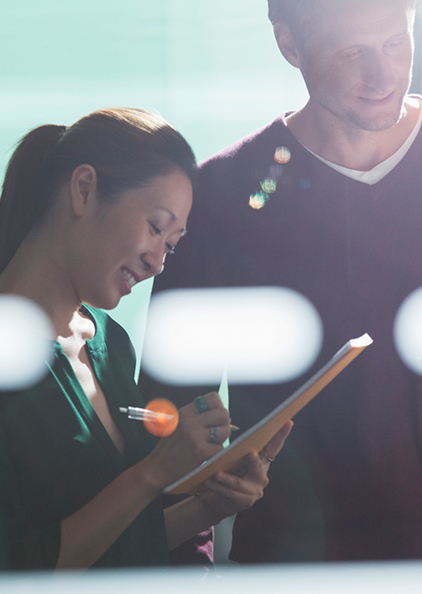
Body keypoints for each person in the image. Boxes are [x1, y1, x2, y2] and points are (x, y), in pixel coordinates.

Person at [139, 0, 422, 561]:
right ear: (290, 46)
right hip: (292, 569)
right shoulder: (218, 194)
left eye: (395, 44)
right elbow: (169, 416)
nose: (383, 76)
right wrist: (182, 569)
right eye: (352, 52)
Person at [0, 107, 291, 570]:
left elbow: (123, 545)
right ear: (83, 190)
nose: (158, 262)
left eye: (172, 244)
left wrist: (212, 505)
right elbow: (24, 564)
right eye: (155, 228)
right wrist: (154, 473)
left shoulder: (109, 343)